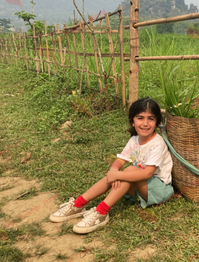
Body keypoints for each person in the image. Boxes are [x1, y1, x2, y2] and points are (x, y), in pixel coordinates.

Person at [50, 97, 174, 234]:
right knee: (122, 173)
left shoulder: (157, 143)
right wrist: (114, 171)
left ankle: (101, 212)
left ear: (156, 122)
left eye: (151, 118)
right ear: (132, 121)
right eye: (140, 118)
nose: (145, 123)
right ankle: (78, 204)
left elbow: (147, 173)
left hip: (158, 190)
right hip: (139, 187)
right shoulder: (134, 140)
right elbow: (120, 160)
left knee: (130, 170)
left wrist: (119, 175)